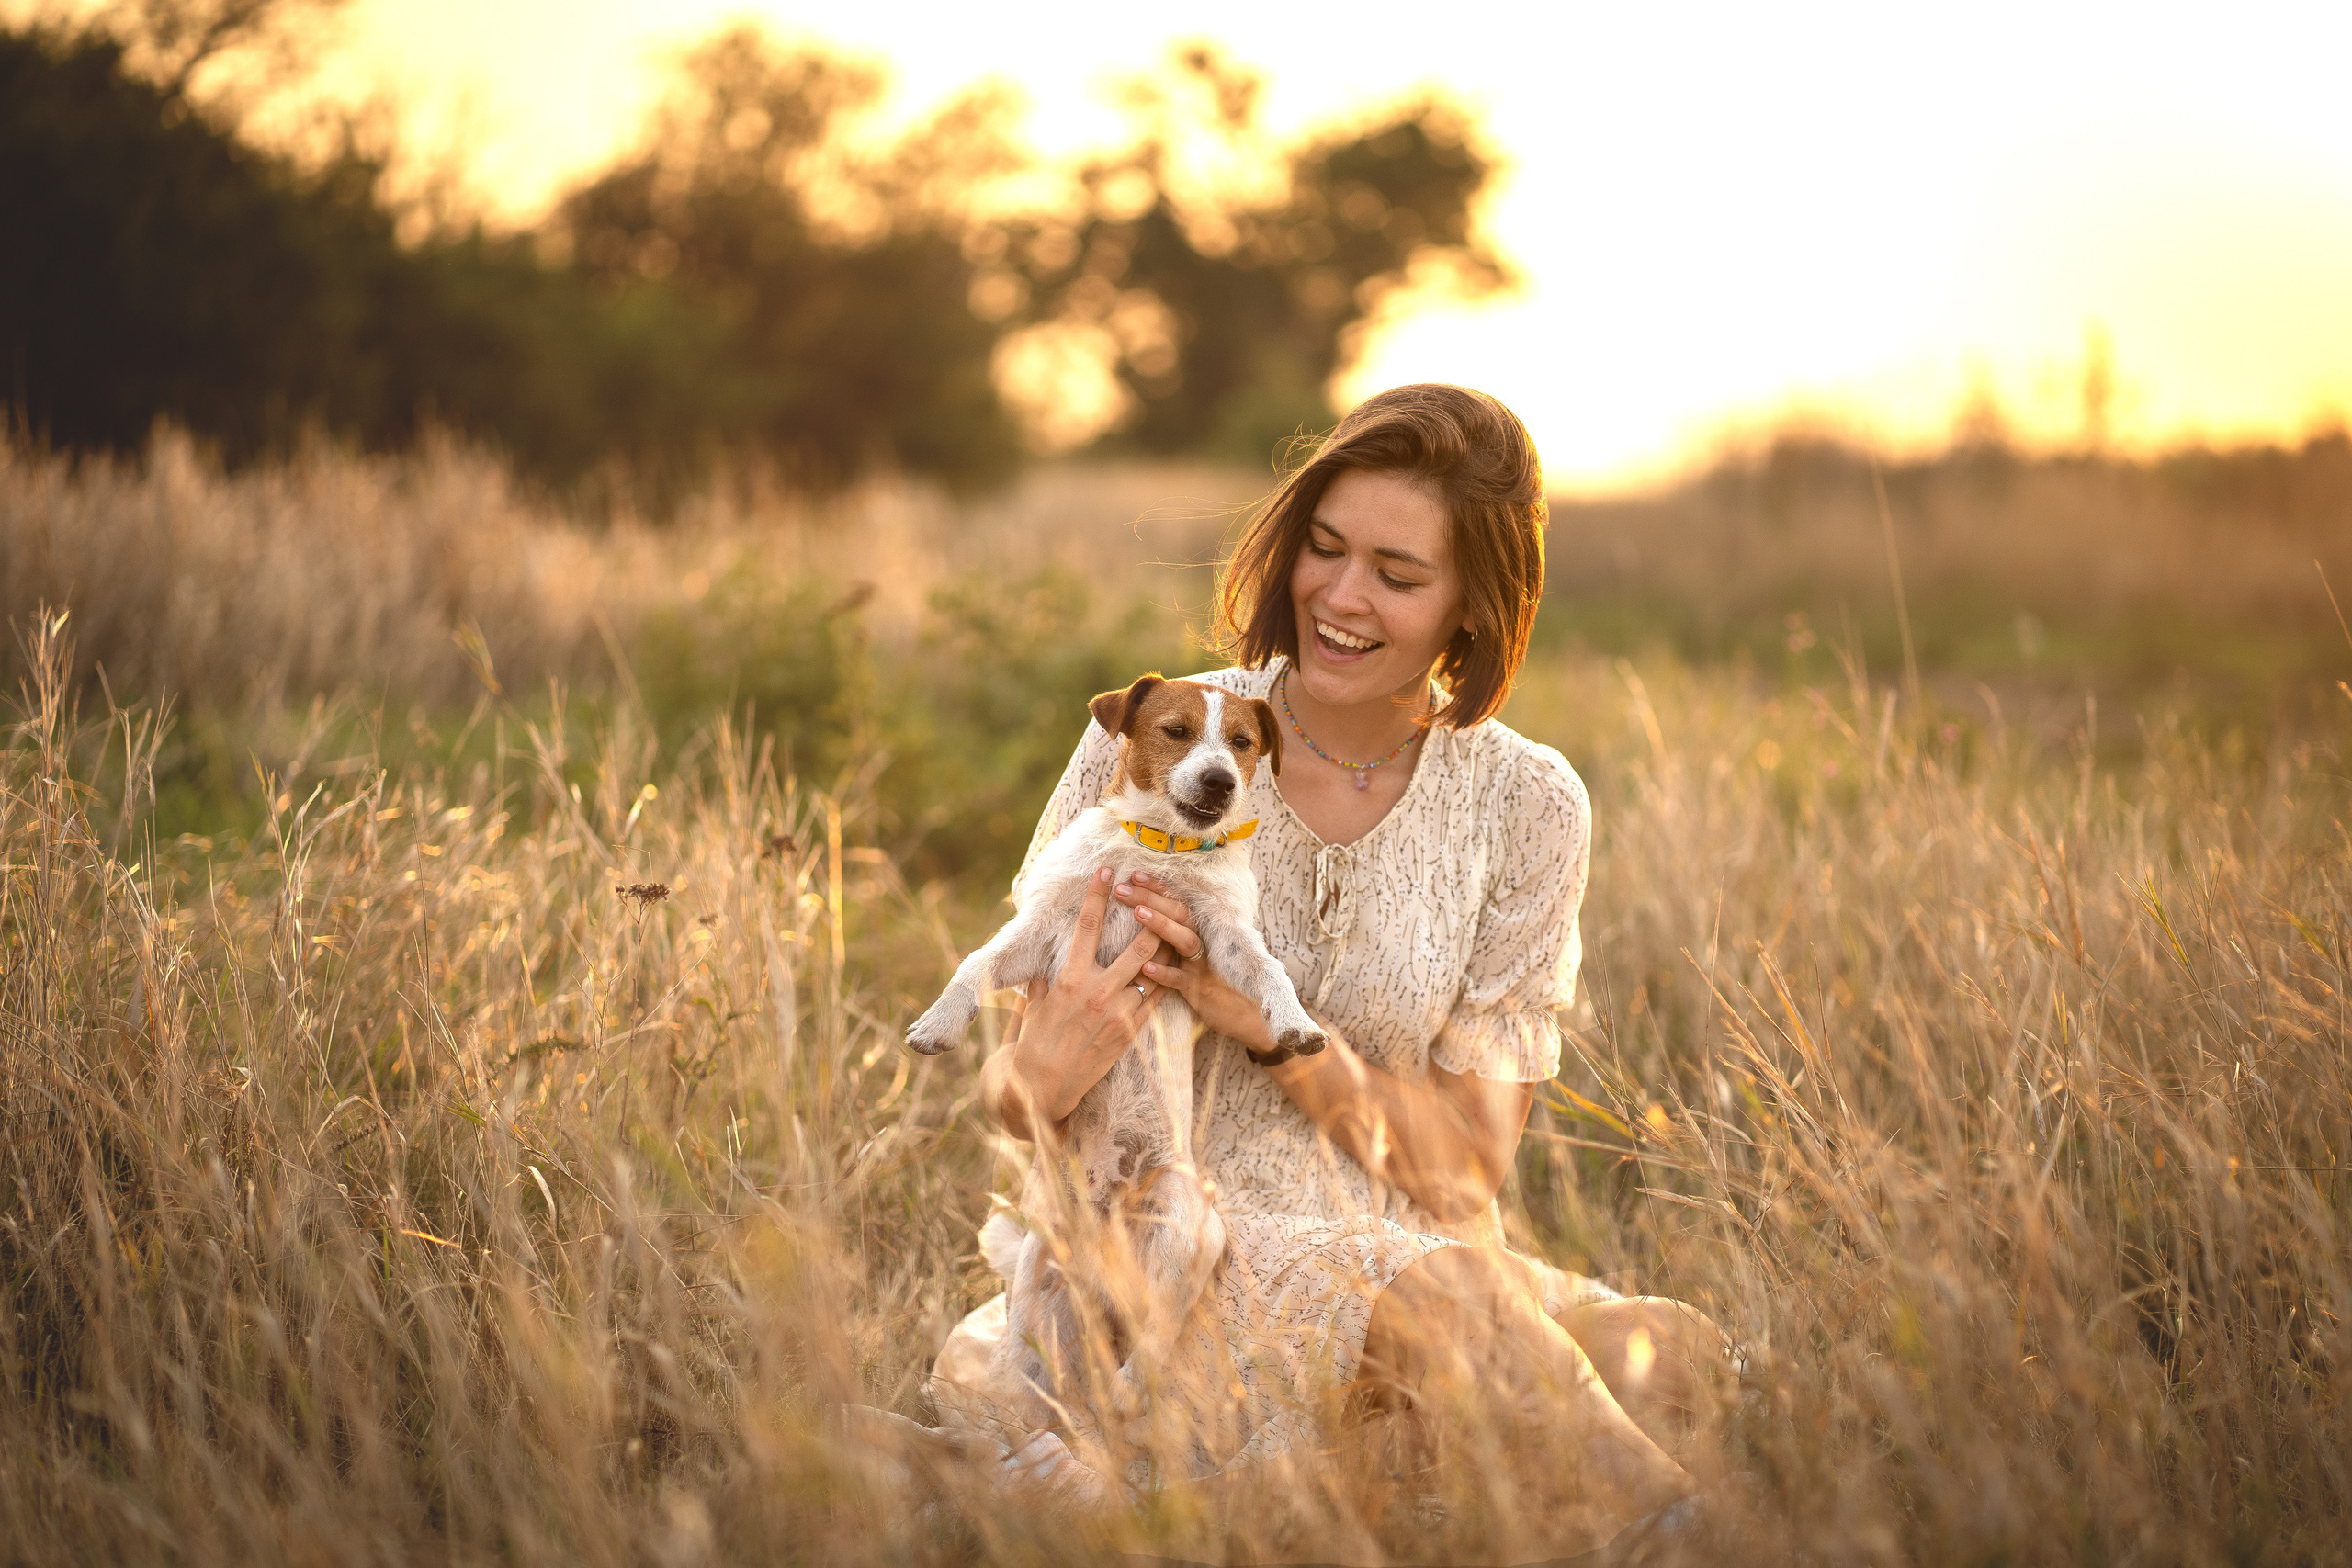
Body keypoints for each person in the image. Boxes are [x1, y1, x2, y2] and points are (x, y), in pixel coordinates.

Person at [935, 383, 1727, 1548]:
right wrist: (1042, 1066)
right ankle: (1699, 1539)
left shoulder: (1527, 802)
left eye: (1397, 576)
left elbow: (1463, 1176)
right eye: (1324, 547)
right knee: (1481, 1334)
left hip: (1420, 1247)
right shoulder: (1167, 734)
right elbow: (1018, 1097)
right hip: (1176, 1243)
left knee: (1673, 1355)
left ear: (1472, 605)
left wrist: (1271, 1030)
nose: (1341, 597)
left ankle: (1251, 1487)